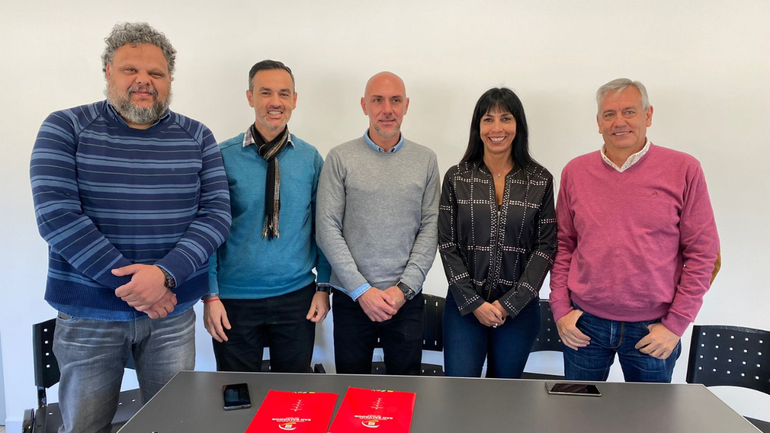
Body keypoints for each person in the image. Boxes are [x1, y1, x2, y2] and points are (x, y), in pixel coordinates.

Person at [29, 22, 231, 433]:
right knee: (86, 428)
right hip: (90, 316)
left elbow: (215, 215)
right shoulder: (64, 127)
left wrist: (164, 276)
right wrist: (139, 289)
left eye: (156, 73)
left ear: (170, 79)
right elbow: (57, 216)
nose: (144, 80)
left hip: (171, 313)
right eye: (130, 70)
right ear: (108, 72)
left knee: (173, 425)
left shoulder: (197, 135)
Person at [549, 78, 721, 383]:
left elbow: (703, 254)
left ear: (648, 116)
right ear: (599, 123)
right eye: (609, 114)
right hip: (584, 324)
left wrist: (675, 326)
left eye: (629, 112)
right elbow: (564, 244)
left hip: (654, 328)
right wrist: (561, 309)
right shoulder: (575, 172)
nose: (619, 122)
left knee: (650, 422)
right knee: (577, 417)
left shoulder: (684, 169)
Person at [203, 60, 331, 373]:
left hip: (296, 298)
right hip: (233, 300)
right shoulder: (222, 157)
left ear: (294, 100)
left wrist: (324, 287)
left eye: (284, 94)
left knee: (292, 399)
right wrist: (209, 295)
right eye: (266, 93)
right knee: (237, 396)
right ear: (250, 97)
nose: (276, 102)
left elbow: (325, 226)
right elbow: (205, 228)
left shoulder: (310, 158)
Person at [316, 71, 440, 375]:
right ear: (364, 105)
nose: (387, 109)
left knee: (406, 393)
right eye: (378, 100)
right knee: (350, 392)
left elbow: (431, 228)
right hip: (352, 299)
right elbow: (327, 228)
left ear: (406, 105)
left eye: (395, 100)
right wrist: (361, 290)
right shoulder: (339, 158)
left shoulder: (425, 160)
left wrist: (403, 289)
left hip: (406, 300)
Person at [438, 87, 556, 378]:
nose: (497, 128)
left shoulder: (540, 180)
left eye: (506, 119)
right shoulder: (458, 177)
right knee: (460, 392)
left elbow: (546, 246)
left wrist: (509, 304)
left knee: (504, 396)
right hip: (465, 306)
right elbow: (447, 243)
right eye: (488, 119)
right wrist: (474, 303)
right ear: (478, 127)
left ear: (518, 125)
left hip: (519, 309)